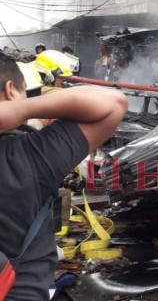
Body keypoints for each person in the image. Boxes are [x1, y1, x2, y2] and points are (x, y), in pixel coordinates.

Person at [0, 52, 127, 299]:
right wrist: (21, 109)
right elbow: (113, 103)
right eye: (25, 92)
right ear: (10, 90)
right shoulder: (25, 157)